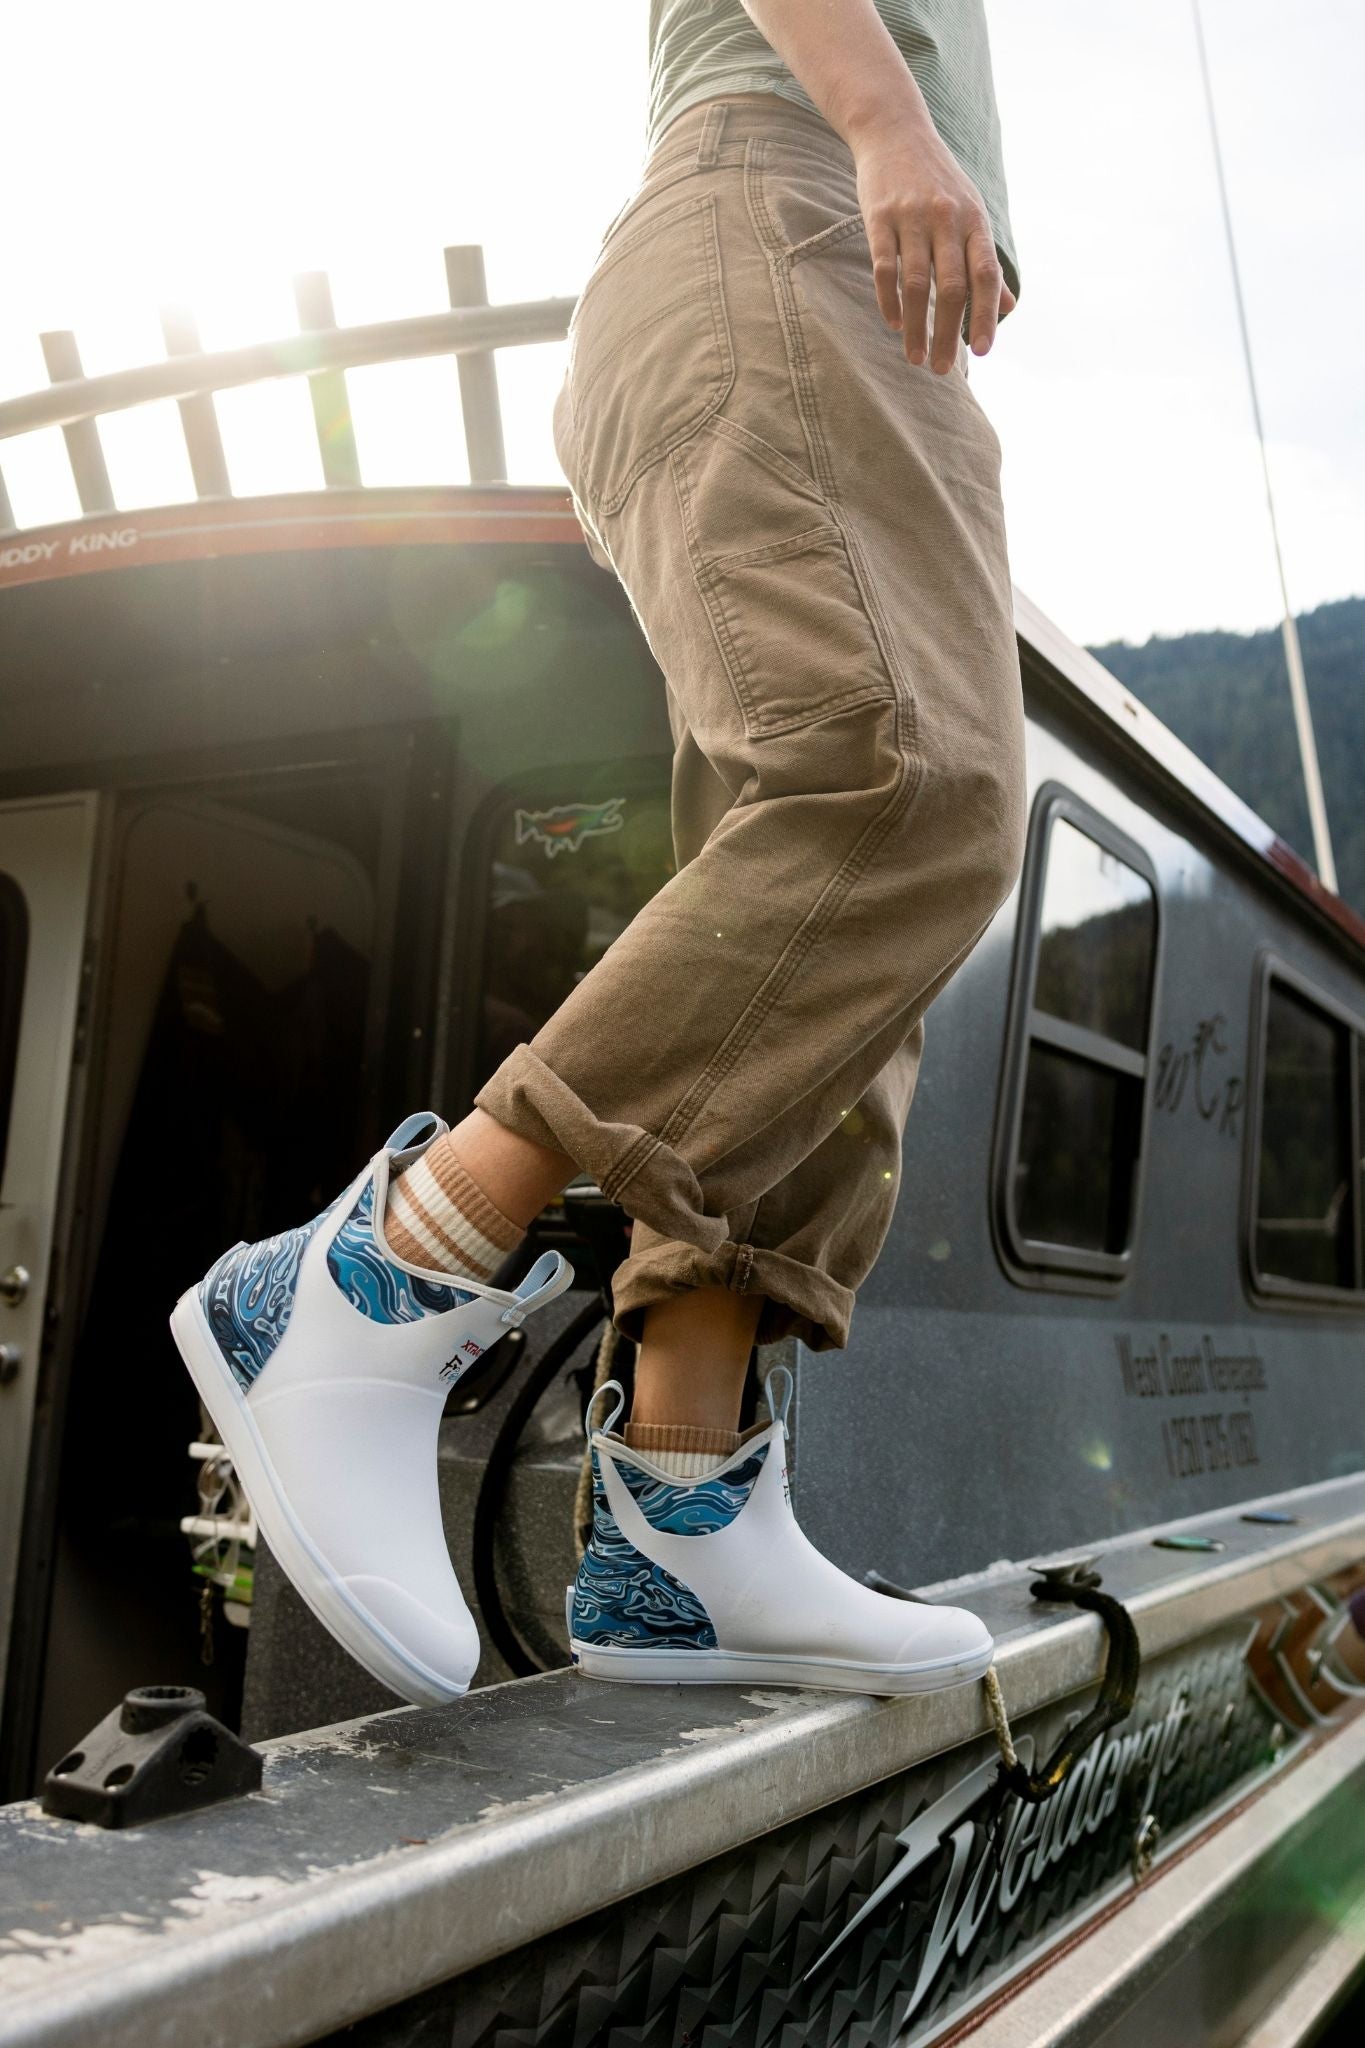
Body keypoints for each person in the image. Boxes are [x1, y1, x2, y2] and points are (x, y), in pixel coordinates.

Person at [170, 0, 1027, 1707]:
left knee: (848, 950)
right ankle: (370, 1278)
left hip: (849, 281)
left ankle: (680, 1525)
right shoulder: (827, 140)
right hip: (782, 203)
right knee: (896, 786)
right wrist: (882, 122)